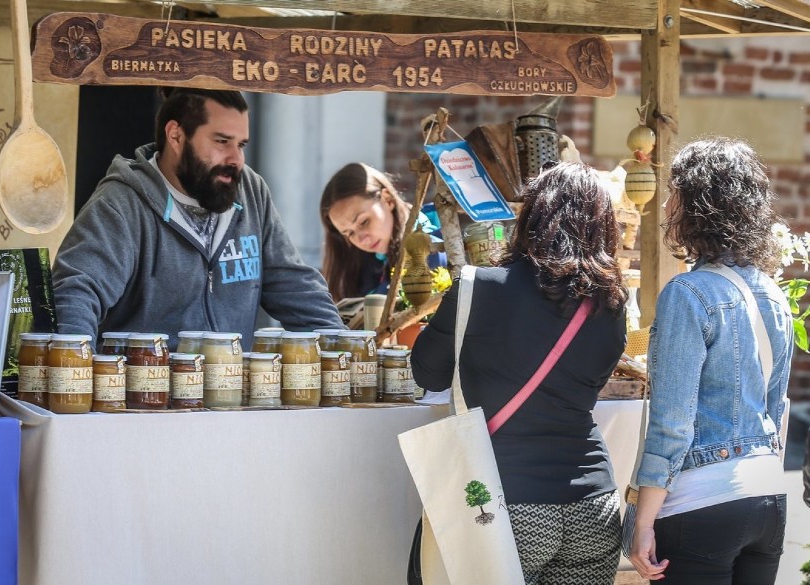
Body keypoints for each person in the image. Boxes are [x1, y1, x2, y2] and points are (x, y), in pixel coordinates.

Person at [411, 161, 628, 584]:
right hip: (593, 506)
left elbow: (427, 375)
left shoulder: (479, 287)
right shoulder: (612, 307)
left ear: (532, 217)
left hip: (505, 504)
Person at [52, 87, 343, 350]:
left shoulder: (250, 190)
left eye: (240, 144)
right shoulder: (121, 204)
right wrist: (73, 374)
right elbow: (77, 293)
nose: (236, 159)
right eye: (221, 141)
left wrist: (344, 349)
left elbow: (295, 287)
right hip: (145, 401)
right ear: (176, 135)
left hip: (232, 398)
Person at [629, 137, 794, 584]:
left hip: (703, 501)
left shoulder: (689, 293)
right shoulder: (773, 293)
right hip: (769, 496)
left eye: (674, 190)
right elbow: (778, 407)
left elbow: (672, 424)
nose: (666, 203)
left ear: (697, 205)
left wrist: (642, 522)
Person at [319, 162, 443, 302]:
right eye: (349, 233)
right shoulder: (363, 261)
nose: (362, 240)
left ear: (387, 199)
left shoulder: (429, 249)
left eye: (364, 222)